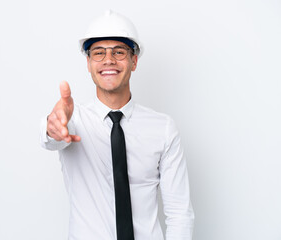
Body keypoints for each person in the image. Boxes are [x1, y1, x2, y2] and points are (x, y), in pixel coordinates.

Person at [40, 10, 194, 240]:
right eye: (98, 53)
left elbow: (180, 213)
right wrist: (53, 129)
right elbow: (52, 139)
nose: (108, 60)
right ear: (89, 63)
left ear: (134, 61)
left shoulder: (163, 128)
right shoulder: (72, 120)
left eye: (119, 52)